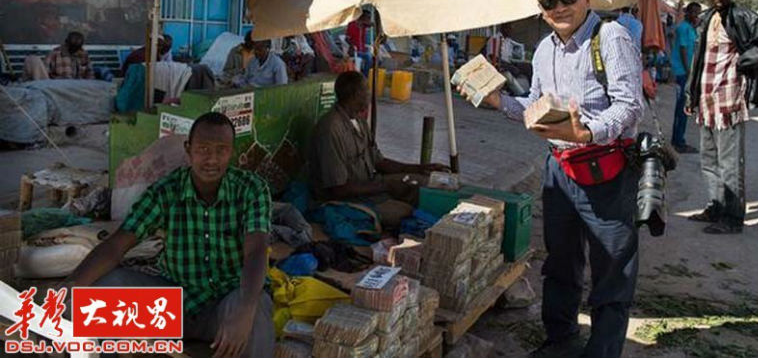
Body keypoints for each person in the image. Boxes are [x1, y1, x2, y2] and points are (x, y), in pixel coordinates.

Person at [470, 0, 643, 358]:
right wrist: (498, 101)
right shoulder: (545, 48)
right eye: (550, 2)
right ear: (541, 9)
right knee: (560, 263)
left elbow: (630, 107)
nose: (560, 7)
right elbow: (535, 108)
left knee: (612, 270)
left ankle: (601, 351)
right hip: (560, 171)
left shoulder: (610, 37)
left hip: (606, 170)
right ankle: (561, 340)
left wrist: (588, 133)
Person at [63, 113, 274, 357]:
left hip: (226, 304)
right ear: (188, 149)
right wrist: (69, 287)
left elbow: (256, 251)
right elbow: (117, 245)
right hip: (173, 306)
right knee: (107, 287)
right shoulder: (166, 191)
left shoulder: (251, 188)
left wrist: (244, 310)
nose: (211, 159)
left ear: (232, 152)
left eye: (221, 150)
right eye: (203, 149)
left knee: (257, 310)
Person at [685, 0, 758, 234]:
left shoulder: (742, 16)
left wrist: (745, 60)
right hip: (706, 101)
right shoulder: (706, 18)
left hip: (728, 100)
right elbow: (699, 60)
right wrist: (691, 94)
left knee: (730, 163)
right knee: (709, 160)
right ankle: (716, 207)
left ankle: (732, 219)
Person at [309, 71, 448, 228]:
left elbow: (378, 160)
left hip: (370, 186)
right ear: (356, 95)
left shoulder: (358, 121)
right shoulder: (330, 129)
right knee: (405, 213)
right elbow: (338, 189)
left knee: (421, 183)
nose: (370, 93)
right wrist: (385, 186)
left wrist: (417, 168)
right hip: (346, 199)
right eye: (367, 89)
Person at [669, 2, 702, 153]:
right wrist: (689, 72)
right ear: (687, 13)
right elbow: (683, 50)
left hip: (687, 71)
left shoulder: (691, 29)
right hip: (682, 72)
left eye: (698, 13)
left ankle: (679, 140)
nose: (697, 16)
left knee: (684, 107)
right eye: (694, 13)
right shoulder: (683, 28)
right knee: (682, 107)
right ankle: (678, 142)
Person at [24, 31, 94, 80]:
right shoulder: (54, 54)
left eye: (78, 47)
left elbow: (90, 74)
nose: (76, 50)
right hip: (59, 87)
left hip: (79, 88)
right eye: (73, 47)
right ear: (66, 43)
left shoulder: (83, 54)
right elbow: (44, 75)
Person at [345, 10, 373, 76]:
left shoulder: (363, 26)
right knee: (368, 58)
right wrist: (352, 45)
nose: (369, 19)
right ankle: (364, 75)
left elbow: (372, 24)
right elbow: (347, 39)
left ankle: (365, 75)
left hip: (363, 50)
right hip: (355, 51)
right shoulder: (352, 25)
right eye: (368, 17)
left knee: (372, 58)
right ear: (362, 17)